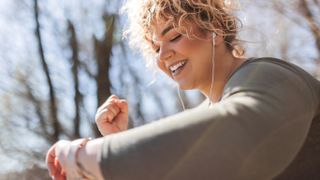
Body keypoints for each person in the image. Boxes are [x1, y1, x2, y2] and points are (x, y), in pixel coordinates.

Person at [46, 0, 320, 179]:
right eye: (154, 47)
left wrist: (90, 157)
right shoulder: (209, 113)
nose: (162, 55)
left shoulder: (269, 75)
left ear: (214, 30)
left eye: (173, 36)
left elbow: (241, 128)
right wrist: (119, 141)